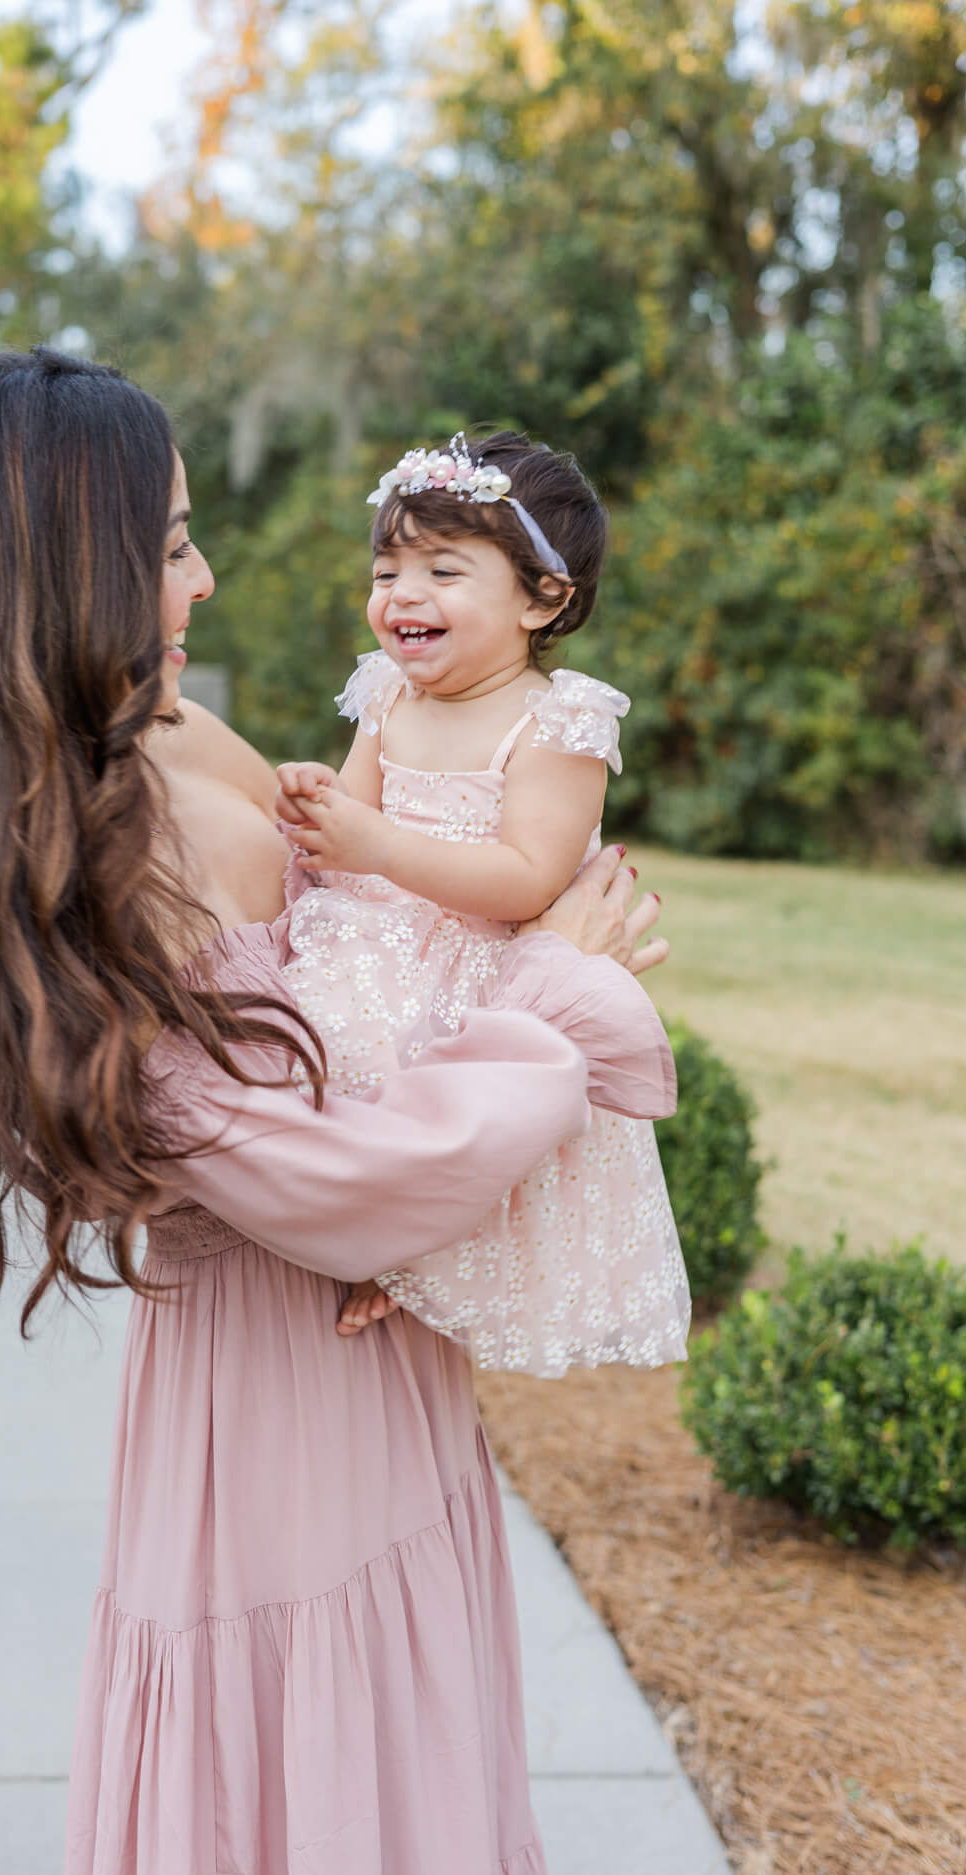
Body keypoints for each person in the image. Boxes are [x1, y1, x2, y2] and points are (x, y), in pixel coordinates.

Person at [0, 347, 675, 1875]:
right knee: (320, 1831)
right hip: (274, 1418)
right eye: (171, 543)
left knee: (420, 1801)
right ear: (55, 568)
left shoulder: (175, 727)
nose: (204, 578)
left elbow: (374, 980)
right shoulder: (82, 855)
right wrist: (562, 985)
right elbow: (332, 1187)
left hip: (379, 1366)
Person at [273, 432, 690, 1375]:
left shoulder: (557, 721)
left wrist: (375, 844)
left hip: (482, 972)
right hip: (366, 944)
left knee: (451, 1121)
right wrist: (309, 804)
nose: (402, 595)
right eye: (387, 569)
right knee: (330, 1076)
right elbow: (345, 823)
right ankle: (362, 1236)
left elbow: (531, 877)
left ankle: (415, 1259)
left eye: (443, 570)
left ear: (543, 597)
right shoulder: (385, 694)